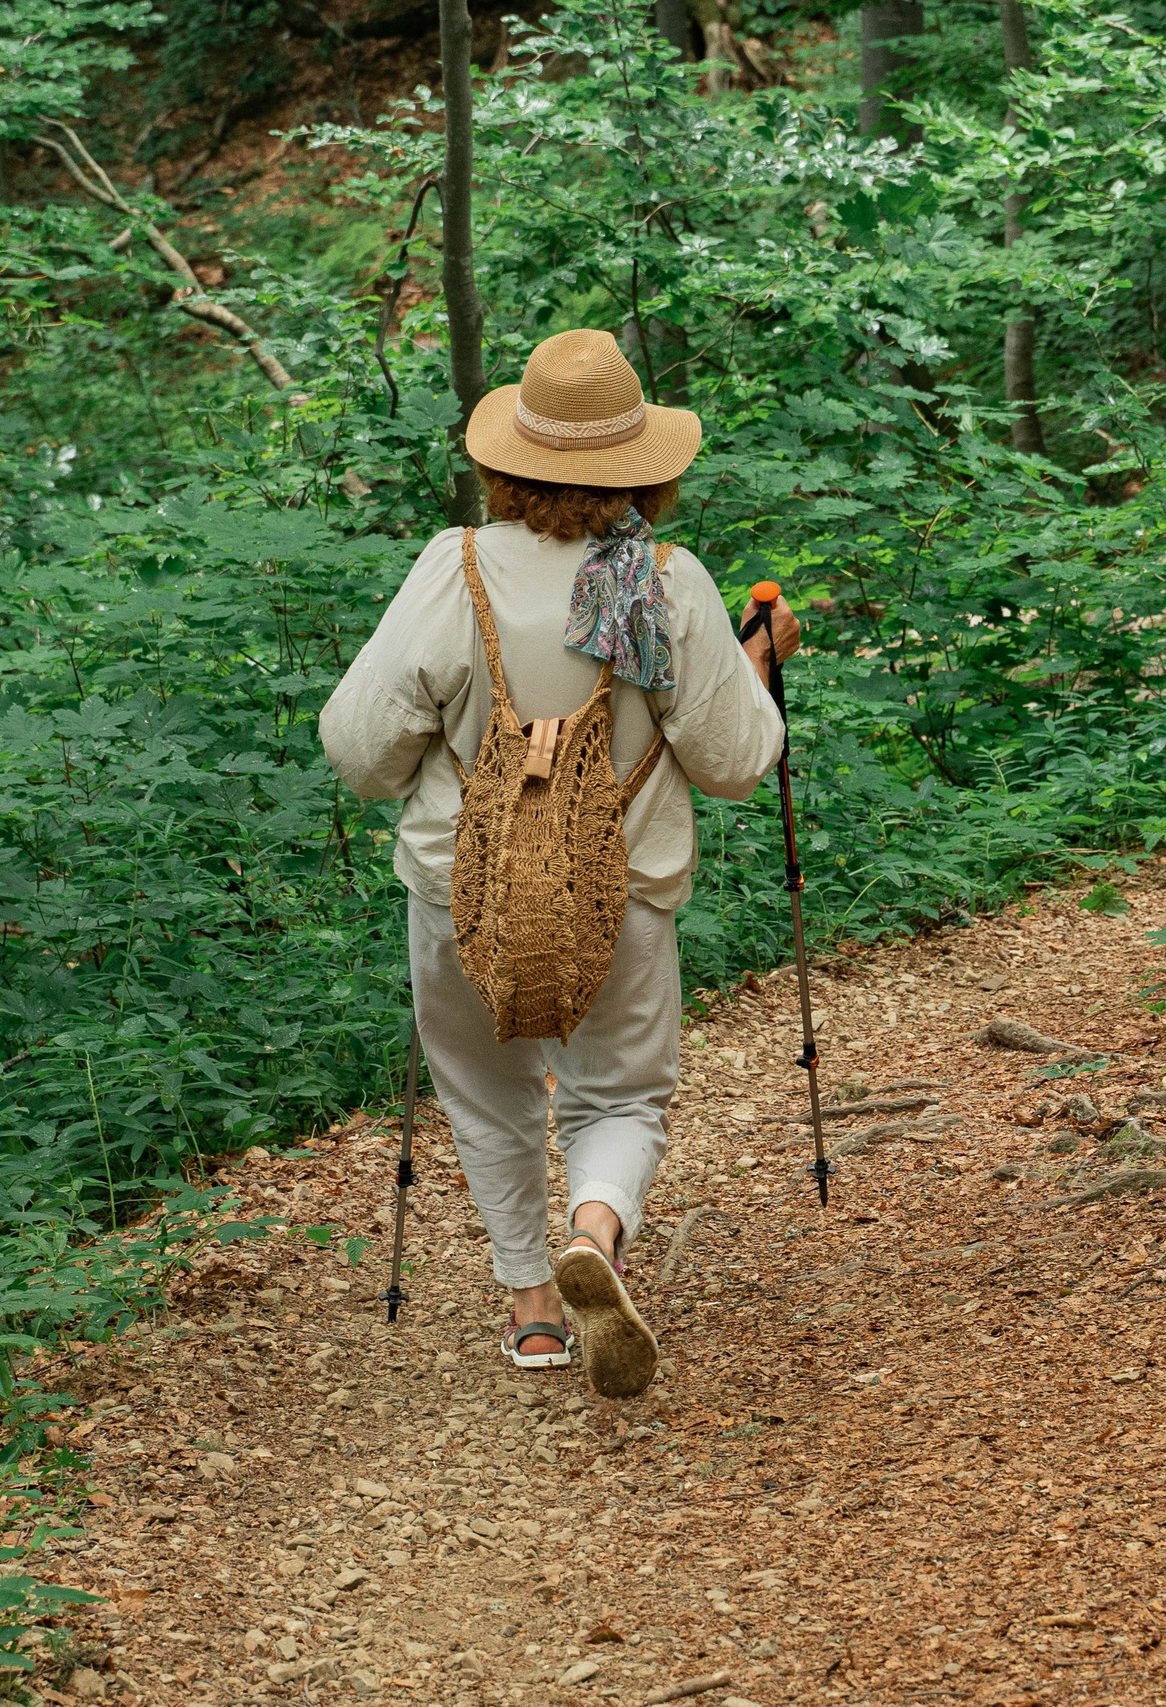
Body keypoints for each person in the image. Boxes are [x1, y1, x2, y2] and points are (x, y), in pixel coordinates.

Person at [320, 329, 798, 1397]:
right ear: (645, 470)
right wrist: (761, 668)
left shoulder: (452, 571)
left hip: (463, 887)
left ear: (505, 460)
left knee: (487, 1093)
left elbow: (358, 752)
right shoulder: (669, 586)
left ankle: (533, 1310)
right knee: (619, 1095)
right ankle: (595, 1230)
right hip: (617, 889)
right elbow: (732, 763)